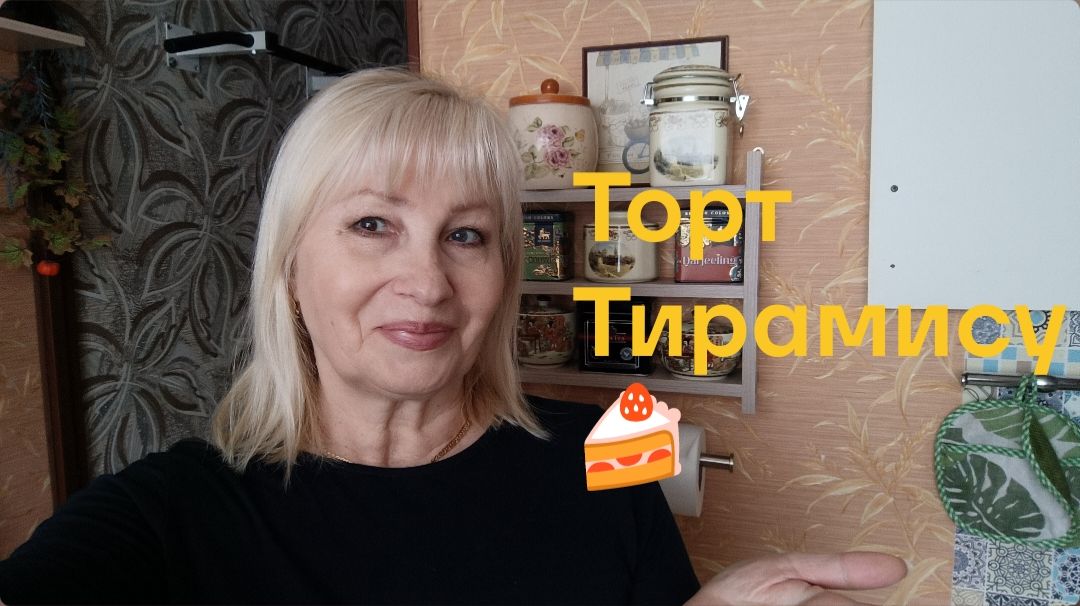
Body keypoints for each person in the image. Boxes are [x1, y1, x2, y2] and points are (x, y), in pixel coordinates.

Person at [0, 68, 906, 605]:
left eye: (466, 235)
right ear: (289, 267)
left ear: (505, 273)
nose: (428, 281)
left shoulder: (616, 449)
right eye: (372, 224)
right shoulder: (169, 514)